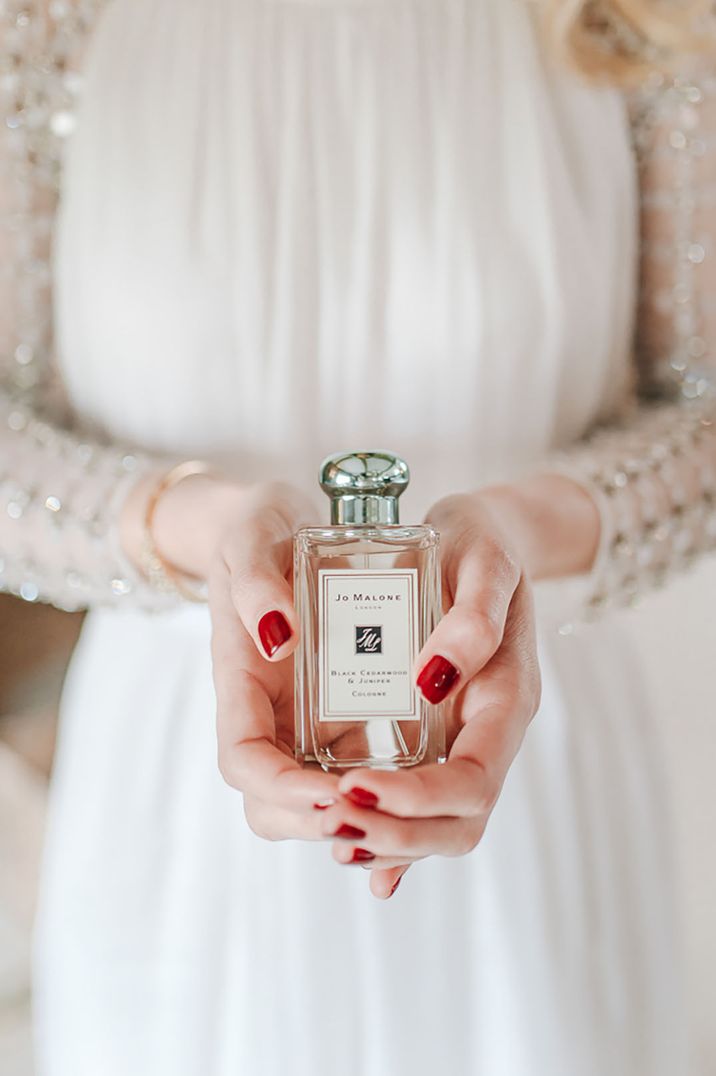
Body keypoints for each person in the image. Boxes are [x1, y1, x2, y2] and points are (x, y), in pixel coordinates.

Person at [1, 0, 714, 1073]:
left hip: (518, 756)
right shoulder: (42, 21)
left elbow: (700, 410)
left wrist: (521, 527)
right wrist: (199, 523)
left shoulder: (632, 19)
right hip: (175, 811)